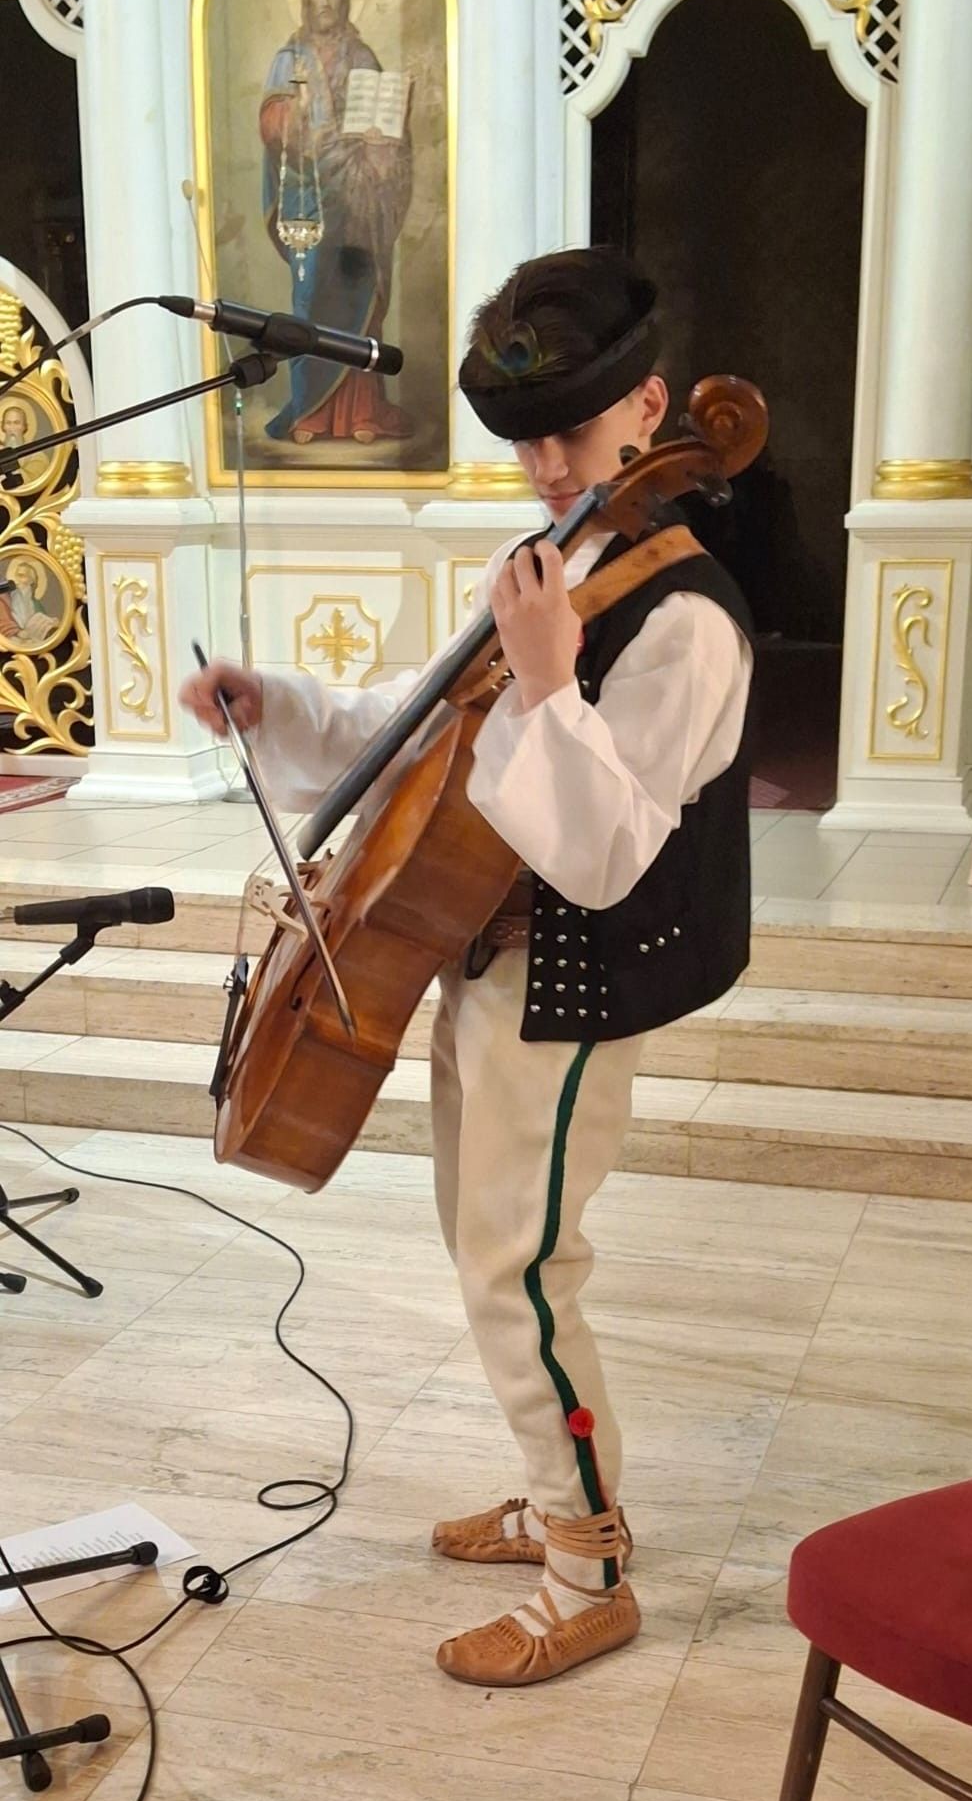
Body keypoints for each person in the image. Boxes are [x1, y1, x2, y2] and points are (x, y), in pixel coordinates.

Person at [180, 246, 754, 1688]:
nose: (548, 466)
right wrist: (276, 703)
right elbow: (420, 721)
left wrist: (551, 676)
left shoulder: (684, 619)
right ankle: (561, 1488)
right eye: (525, 438)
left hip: (570, 984)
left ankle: (587, 1568)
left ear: (651, 409)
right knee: (490, 1251)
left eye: (574, 428)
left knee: (520, 1273)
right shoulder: (555, 565)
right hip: (478, 963)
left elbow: (605, 852)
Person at [260, 0, 413, 447]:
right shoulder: (290, 58)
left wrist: (380, 143)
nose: (325, 1)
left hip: (358, 198)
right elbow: (270, 123)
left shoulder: (363, 56)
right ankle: (310, 412)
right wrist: (295, 113)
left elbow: (391, 130)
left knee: (362, 302)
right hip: (308, 198)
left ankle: (362, 412)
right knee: (310, 305)